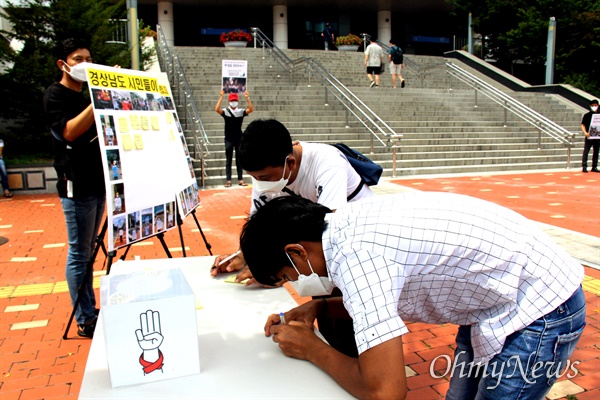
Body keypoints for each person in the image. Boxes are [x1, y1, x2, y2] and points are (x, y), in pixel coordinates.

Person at [240, 193, 585, 400]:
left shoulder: (358, 258)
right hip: (493, 298)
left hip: (541, 306)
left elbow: (386, 391)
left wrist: (311, 349)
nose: (294, 284)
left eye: (287, 277)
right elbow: (375, 294)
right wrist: (319, 305)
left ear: (297, 253)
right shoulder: (341, 224)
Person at [43, 38, 106, 338]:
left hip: (99, 183)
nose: (84, 64)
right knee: (80, 253)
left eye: (88, 58)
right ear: (63, 64)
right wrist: (98, 99)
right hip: (76, 185)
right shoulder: (55, 95)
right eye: (77, 59)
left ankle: (91, 308)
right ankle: (85, 318)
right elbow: (68, 131)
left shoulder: (85, 96)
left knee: (90, 250)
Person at [214, 90, 254, 187]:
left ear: (237, 101)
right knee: (229, 160)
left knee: (239, 160)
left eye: (235, 100)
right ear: (229, 101)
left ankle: (240, 179)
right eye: (232, 100)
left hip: (239, 139)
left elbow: (251, 109)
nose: (234, 102)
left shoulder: (240, 112)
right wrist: (221, 97)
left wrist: (247, 98)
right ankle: (228, 180)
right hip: (228, 139)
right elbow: (217, 109)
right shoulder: (226, 112)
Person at [581, 98, 600, 173]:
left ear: (598, 105)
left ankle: (594, 166)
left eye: (595, 105)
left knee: (596, 151)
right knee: (586, 151)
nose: (594, 107)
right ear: (590, 106)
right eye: (593, 105)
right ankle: (584, 166)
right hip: (589, 136)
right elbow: (583, 125)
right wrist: (585, 132)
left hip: (597, 136)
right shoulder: (587, 115)